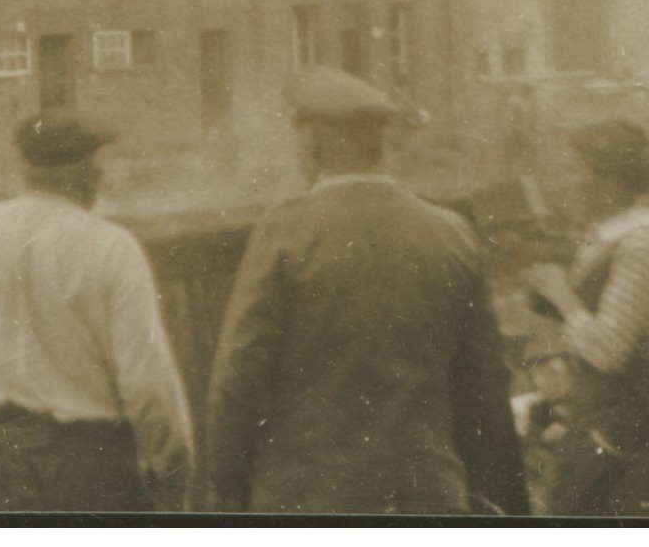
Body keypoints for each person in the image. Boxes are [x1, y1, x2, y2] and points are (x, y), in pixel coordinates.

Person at [205, 65, 529, 515]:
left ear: (311, 142)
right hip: (429, 497)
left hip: (310, 500)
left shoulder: (286, 232)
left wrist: (224, 483)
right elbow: (485, 380)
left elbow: (239, 376)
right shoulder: (450, 232)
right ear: (377, 144)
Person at [0, 111, 194, 512]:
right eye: (97, 164)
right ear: (87, 171)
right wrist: (174, 479)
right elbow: (148, 384)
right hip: (93, 473)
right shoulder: (111, 247)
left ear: (27, 169)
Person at [525, 119, 649, 517]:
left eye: (574, 170)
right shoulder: (607, 233)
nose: (563, 182)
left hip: (637, 431)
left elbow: (608, 351)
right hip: (604, 420)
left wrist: (562, 294)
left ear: (610, 180)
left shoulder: (642, 241)